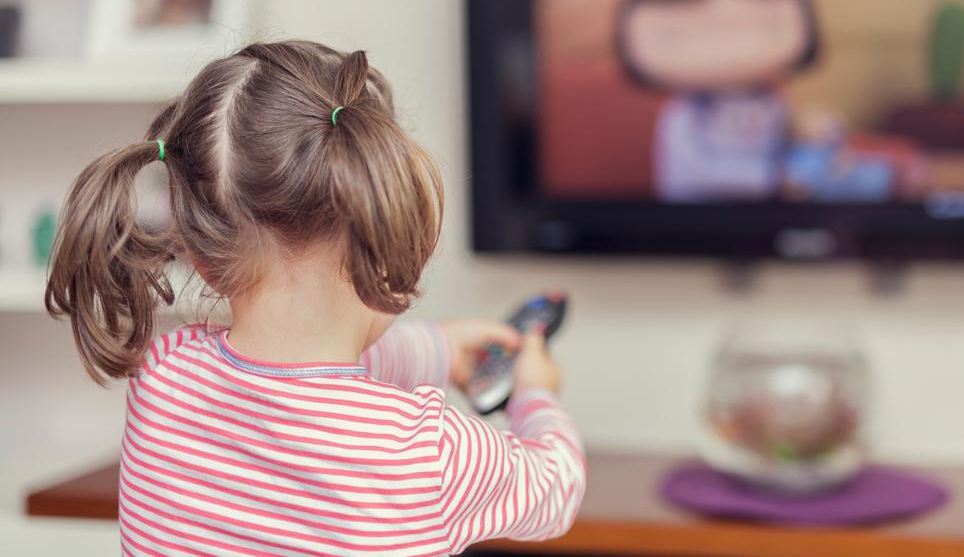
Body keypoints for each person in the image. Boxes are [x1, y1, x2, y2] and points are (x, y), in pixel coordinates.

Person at [44, 40, 585, 555]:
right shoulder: (433, 453)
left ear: (205, 261)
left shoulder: (162, 375)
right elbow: (556, 485)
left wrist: (440, 349)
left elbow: (299, 374)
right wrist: (536, 394)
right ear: (391, 241)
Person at [614, 0, 821, 202]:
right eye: (676, 36)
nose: (732, 47)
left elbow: (789, 140)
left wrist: (820, 136)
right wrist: (770, 179)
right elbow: (694, 171)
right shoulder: (683, 114)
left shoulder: (772, 99)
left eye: (761, 26)